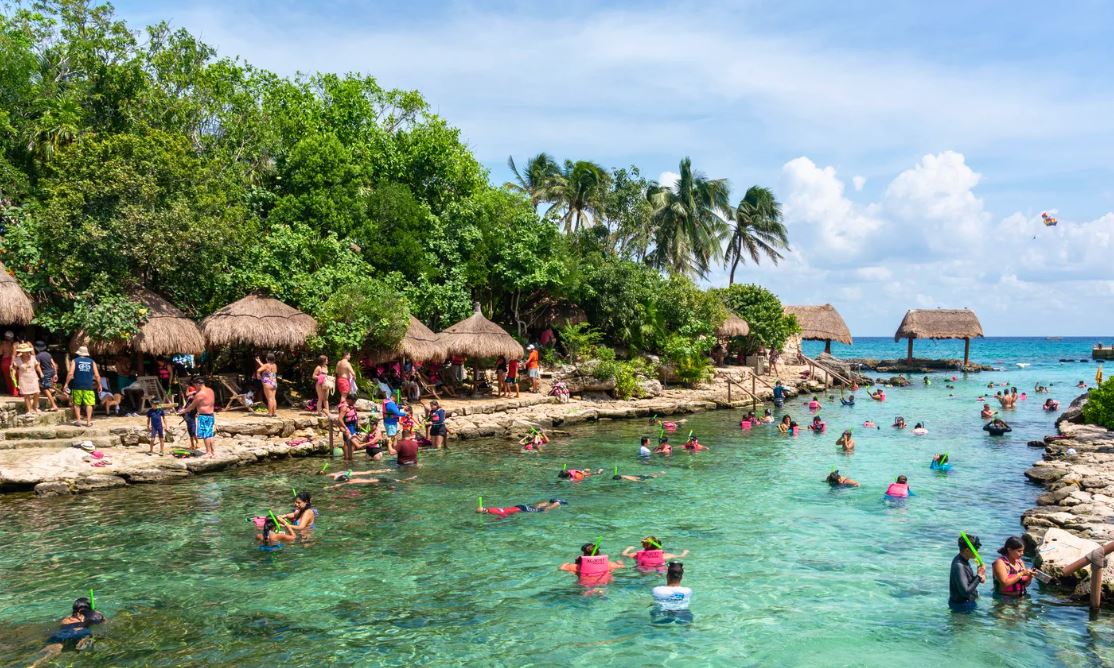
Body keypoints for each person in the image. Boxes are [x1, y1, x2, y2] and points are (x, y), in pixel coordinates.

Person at [30, 596, 107, 666]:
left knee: (53, 650)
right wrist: (96, 613)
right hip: (80, 632)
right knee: (87, 636)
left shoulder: (65, 619)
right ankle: (79, 646)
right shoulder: (93, 615)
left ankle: (33, 665)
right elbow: (105, 622)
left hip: (59, 634)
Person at [63, 346, 101, 427]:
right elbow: (97, 375)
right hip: (89, 386)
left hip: (77, 385)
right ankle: (88, 422)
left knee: (77, 403)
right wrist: (99, 384)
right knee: (89, 403)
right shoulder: (92, 362)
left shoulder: (75, 361)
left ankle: (79, 421)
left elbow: (70, 373)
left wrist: (66, 383)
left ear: (79, 353)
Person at [559, 542, 625, 587]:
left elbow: (562, 568)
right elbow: (622, 566)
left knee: (573, 573)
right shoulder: (608, 564)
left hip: (585, 586)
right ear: (599, 552)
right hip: (604, 584)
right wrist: (619, 562)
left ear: (584, 553)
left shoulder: (578, 567)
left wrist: (571, 563)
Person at [180, 376, 216, 457]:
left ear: (198, 384)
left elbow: (192, 406)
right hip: (211, 414)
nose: (194, 387)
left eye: (195, 385)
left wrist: (184, 411)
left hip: (204, 416)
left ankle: (208, 452)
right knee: (210, 434)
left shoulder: (199, 394)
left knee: (206, 435)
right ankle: (212, 452)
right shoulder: (210, 390)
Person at [950, 533, 986, 611]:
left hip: (966, 604)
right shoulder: (959, 565)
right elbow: (965, 592)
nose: (977, 552)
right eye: (976, 549)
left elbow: (966, 582)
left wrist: (978, 577)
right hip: (961, 607)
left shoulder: (964, 560)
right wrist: (979, 576)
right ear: (967, 550)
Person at [623, 537, 689, 571]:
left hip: (643, 571)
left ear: (644, 546)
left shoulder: (636, 555)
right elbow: (681, 556)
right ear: (659, 547)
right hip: (660, 570)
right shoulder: (664, 556)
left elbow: (624, 554)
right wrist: (685, 552)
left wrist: (628, 549)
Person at [12, 342, 42, 414]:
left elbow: (37, 366)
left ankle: (34, 407)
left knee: (37, 392)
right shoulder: (17, 359)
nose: (27, 352)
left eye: (28, 351)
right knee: (26, 394)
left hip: (33, 377)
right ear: (22, 352)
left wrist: (41, 372)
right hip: (23, 378)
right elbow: (14, 368)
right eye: (25, 351)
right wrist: (13, 375)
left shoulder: (33, 357)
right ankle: (29, 410)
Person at [477, 498, 565, 518]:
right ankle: (550, 502)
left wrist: (496, 520)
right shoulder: (491, 509)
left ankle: (558, 503)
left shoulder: (493, 512)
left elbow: (504, 514)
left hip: (522, 509)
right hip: (519, 506)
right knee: (536, 506)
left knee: (544, 510)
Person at [34, 341, 59, 411]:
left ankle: (54, 405)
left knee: (45, 388)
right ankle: (52, 391)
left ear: (36, 348)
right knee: (43, 385)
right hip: (51, 371)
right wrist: (55, 374)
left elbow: (38, 366)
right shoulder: (48, 354)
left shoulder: (38, 356)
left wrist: (39, 373)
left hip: (45, 373)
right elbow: (53, 364)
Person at [255, 353, 278, 417]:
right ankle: (274, 413)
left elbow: (259, 370)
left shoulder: (266, 365)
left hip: (267, 383)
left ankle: (270, 413)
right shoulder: (274, 365)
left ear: (267, 359)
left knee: (269, 399)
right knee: (273, 398)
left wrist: (258, 374)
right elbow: (266, 368)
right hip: (274, 383)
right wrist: (259, 361)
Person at [0, 330, 14, 396]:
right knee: (13, 376)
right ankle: (15, 391)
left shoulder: (3, 344)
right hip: (13, 361)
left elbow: (0, 353)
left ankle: (10, 391)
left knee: (7, 377)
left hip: (5, 361)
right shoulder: (15, 344)